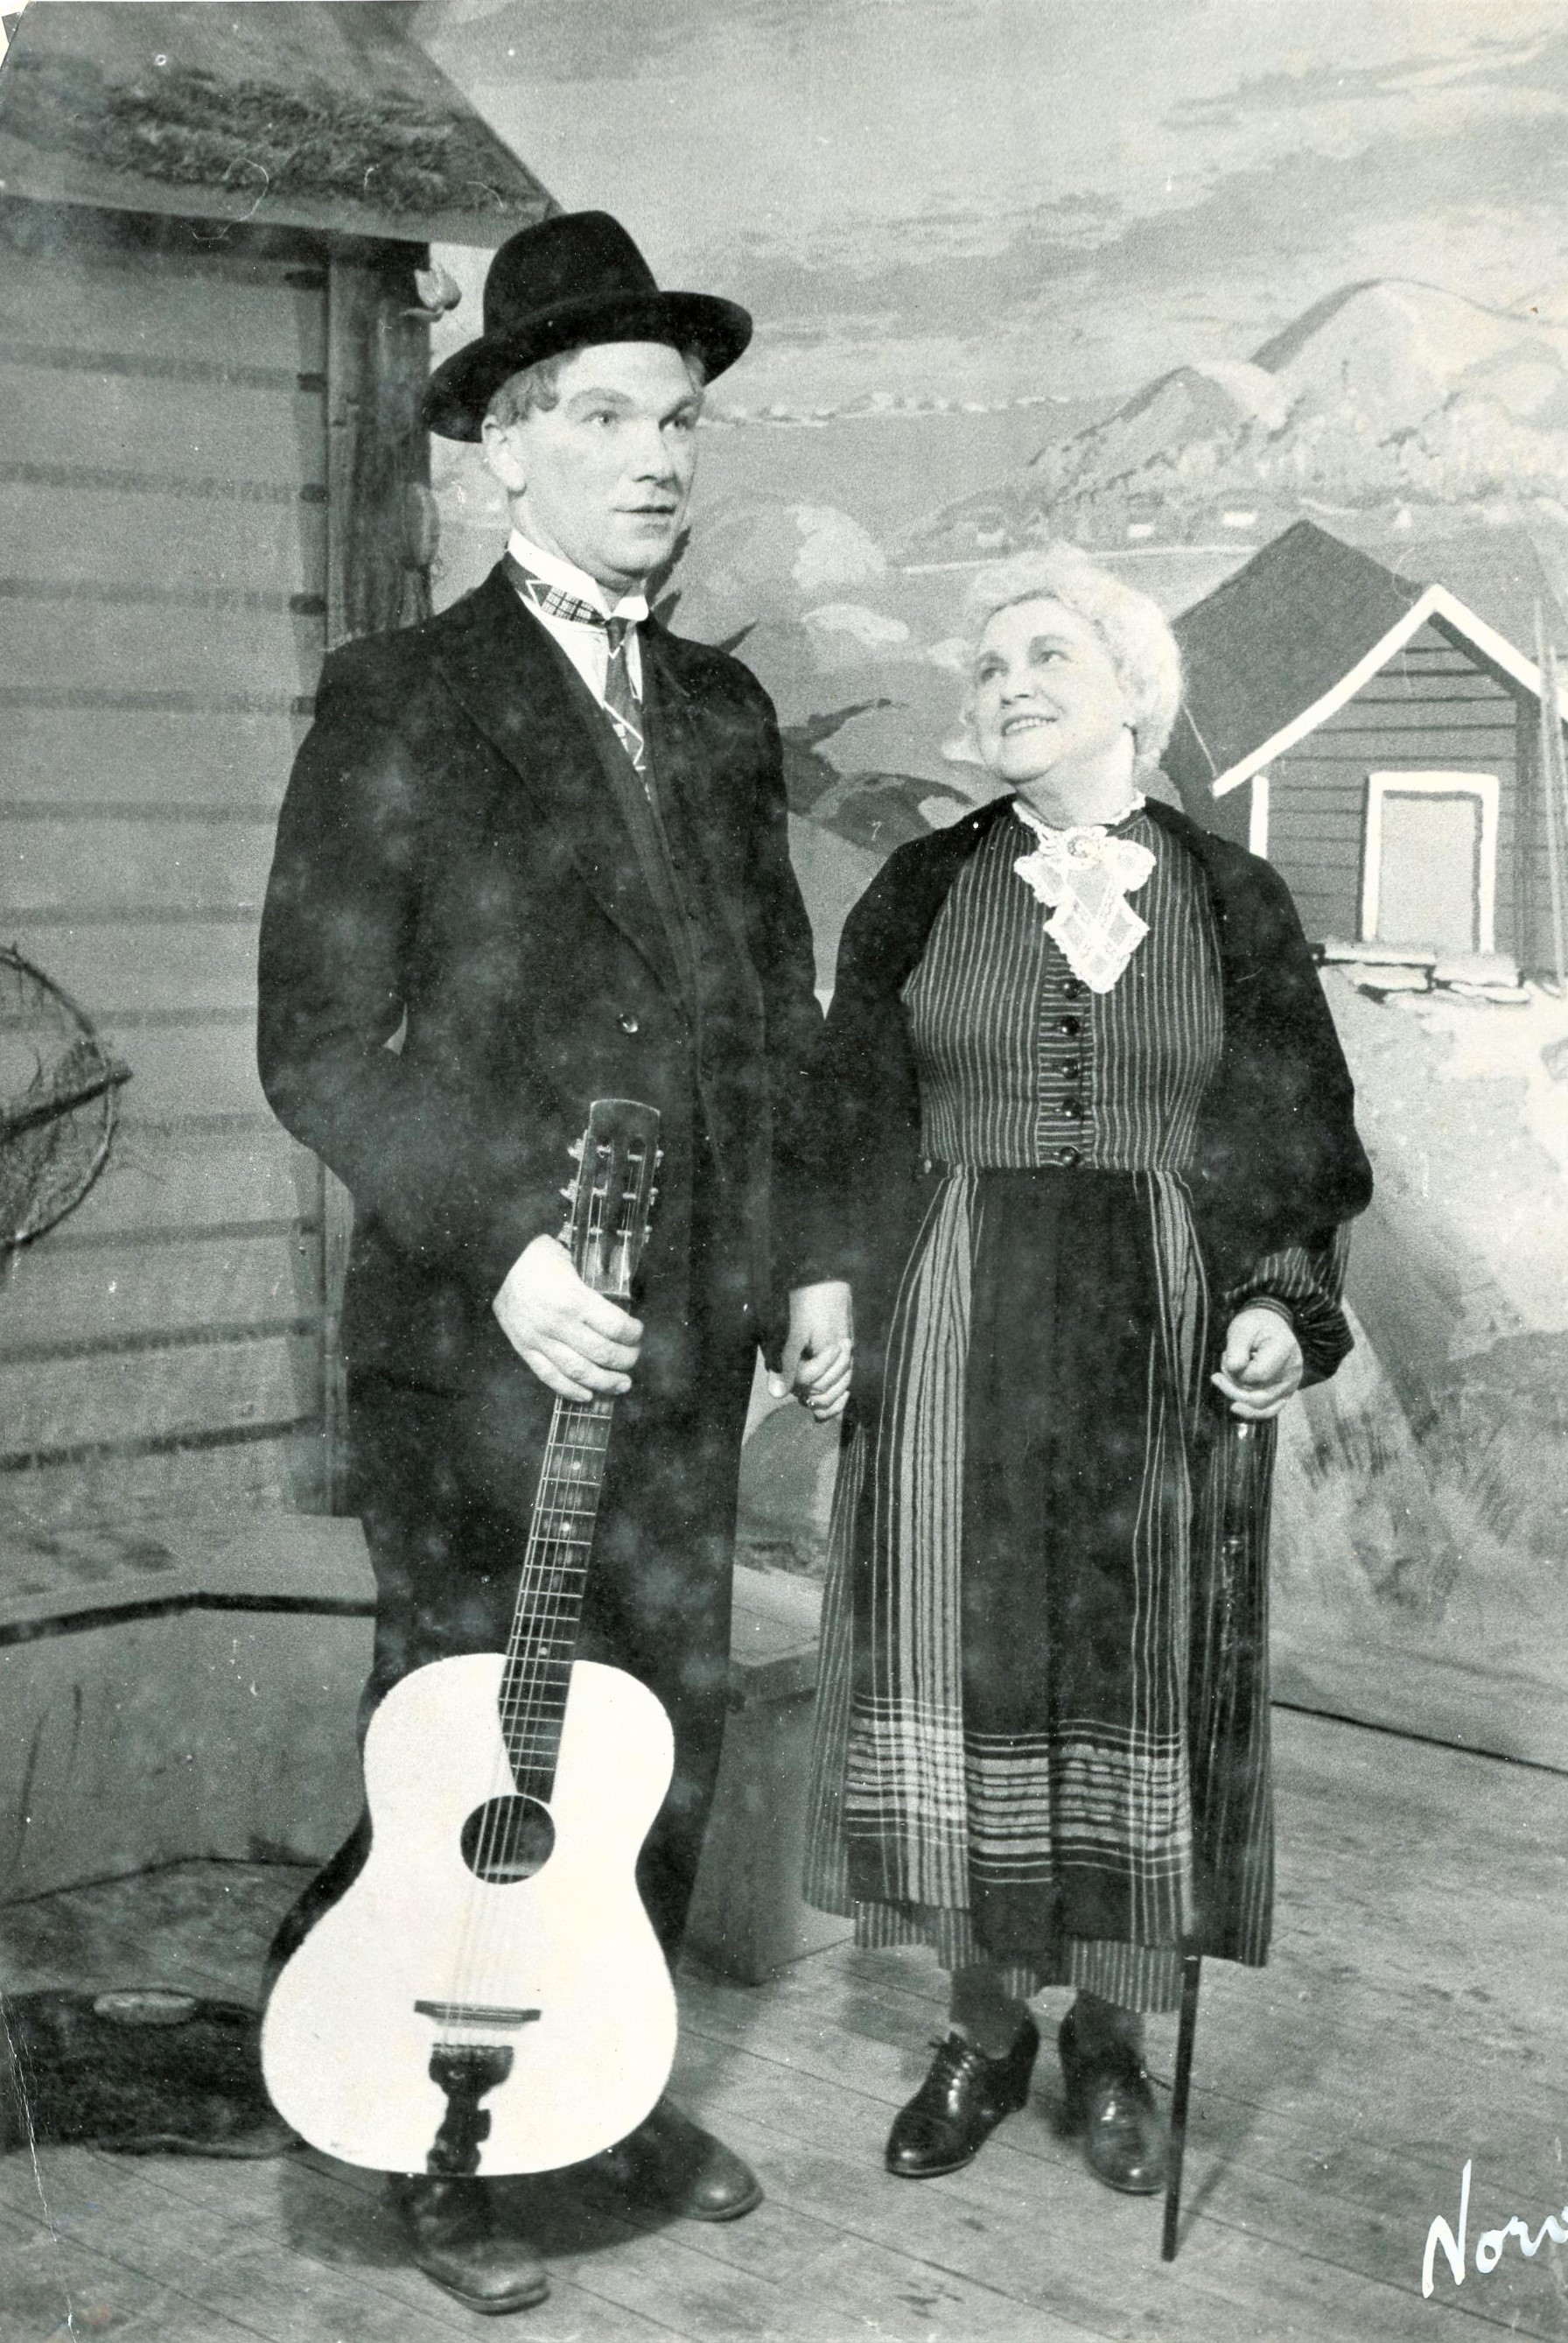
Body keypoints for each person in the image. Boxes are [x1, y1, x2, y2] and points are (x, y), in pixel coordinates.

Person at [256, 212, 850, 2316]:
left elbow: (777, 1018)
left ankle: (599, 2088)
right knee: (471, 1741)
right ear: (504, 448)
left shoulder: (721, 710)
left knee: (657, 1726)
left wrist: (809, 1264)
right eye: (605, 417)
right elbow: (320, 1044)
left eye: (678, 420)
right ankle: (433, 2138)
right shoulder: (401, 700)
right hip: (477, 1347)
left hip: (687, 1344)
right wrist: (509, 1251)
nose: (658, 457)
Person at [802, 546, 1372, 2198]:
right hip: (953, 1311)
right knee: (956, 1648)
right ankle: (980, 2026)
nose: (1006, 687)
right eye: (986, 667)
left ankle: (1113, 2040)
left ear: (1134, 690)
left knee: (1137, 1659)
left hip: (1157, 1320)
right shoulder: (920, 886)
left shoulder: (1229, 896)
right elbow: (844, 1111)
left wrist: (1277, 1303)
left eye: (1046, 656)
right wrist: (823, 1284)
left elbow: (1297, 1129)